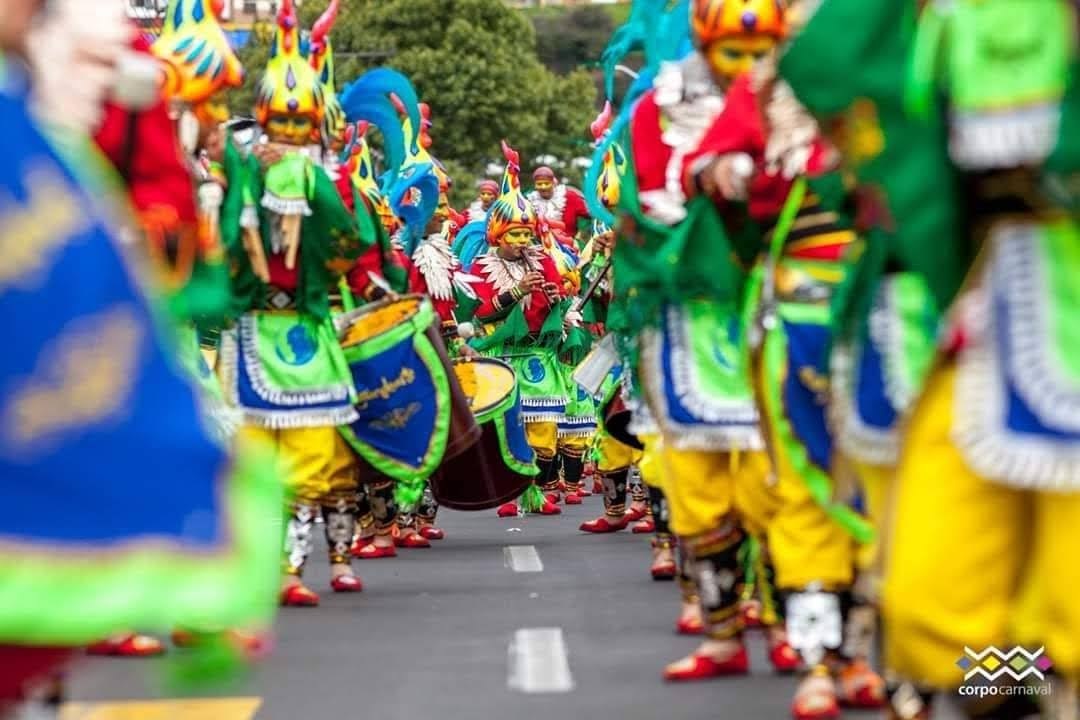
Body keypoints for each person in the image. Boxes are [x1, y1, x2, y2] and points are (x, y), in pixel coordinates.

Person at [216, 0, 372, 606]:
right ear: (262, 118)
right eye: (279, 122)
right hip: (252, 329)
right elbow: (227, 246)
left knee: (316, 457)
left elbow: (345, 244)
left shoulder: (319, 181)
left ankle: (291, 569)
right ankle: (254, 565)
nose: (288, 134)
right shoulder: (240, 173)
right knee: (253, 461)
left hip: (308, 329)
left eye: (299, 123)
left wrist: (320, 193)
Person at [467, 141, 572, 518]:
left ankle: (536, 492)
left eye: (527, 234)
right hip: (504, 356)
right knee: (509, 429)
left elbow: (559, 301)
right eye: (515, 235)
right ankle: (511, 494)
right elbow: (479, 313)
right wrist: (516, 291)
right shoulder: (481, 267)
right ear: (498, 234)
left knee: (544, 429)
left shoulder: (544, 262)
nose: (523, 242)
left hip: (538, 356)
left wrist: (556, 297)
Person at [528, 166, 590, 241]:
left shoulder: (569, 196)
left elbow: (591, 214)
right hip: (538, 243)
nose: (543, 187)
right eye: (539, 184)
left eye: (546, 183)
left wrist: (584, 233)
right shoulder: (530, 201)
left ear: (553, 183)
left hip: (568, 243)